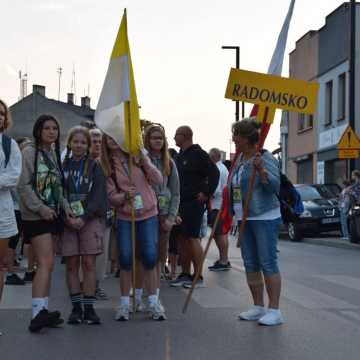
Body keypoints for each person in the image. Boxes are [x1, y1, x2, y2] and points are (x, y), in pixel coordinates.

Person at [101, 134, 165, 321]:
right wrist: (123, 197)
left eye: (116, 134)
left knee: (150, 257)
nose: (112, 139)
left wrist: (144, 159)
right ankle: (124, 303)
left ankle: (153, 302)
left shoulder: (137, 156)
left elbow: (158, 179)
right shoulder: (108, 166)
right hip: (125, 216)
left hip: (148, 213)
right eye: (109, 136)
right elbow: (110, 196)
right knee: (126, 258)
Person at [17, 114, 71, 332]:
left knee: (47, 265)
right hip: (36, 216)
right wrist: (41, 208)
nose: (51, 132)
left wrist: (65, 207)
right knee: (45, 263)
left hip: (52, 215)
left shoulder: (52, 154)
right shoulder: (29, 152)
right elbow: (23, 186)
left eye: (55, 129)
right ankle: (37, 314)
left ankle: (43, 310)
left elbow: (57, 187)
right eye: (47, 128)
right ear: (38, 130)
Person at [229, 118, 283, 326]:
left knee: (267, 261)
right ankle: (258, 306)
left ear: (246, 138)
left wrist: (262, 171)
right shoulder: (240, 158)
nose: (234, 139)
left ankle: (275, 310)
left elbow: (275, 187)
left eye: (237, 136)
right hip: (244, 217)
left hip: (264, 216)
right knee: (250, 262)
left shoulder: (265, 157)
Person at [61, 126, 107, 325]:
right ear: (69, 143)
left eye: (83, 142)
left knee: (88, 264)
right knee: (71, 265)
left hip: (89, 220)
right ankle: (76, 307)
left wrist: (84, 217)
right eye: (75, 141)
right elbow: (58, 193)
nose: (79, 145)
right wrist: (68, 217)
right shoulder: (62, 165)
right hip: (68, 220)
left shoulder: (95, 167)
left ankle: (89, 308)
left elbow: (98, 196)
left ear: (88, 145)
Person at [171, 126, 219, 288]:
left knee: (192, 237)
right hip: (179, 203)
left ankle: (198, 276)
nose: (173, 138)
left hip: (193, 203)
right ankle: (185, 274)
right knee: (182, 239)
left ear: (185, 136)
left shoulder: (198, 154)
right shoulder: (178, 157)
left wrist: (206, 192)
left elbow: (214, 173)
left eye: (176, 135)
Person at [144, 124, 180, 311]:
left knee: (159, 257)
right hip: (145, 213)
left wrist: (171, 217)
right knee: (145, 255)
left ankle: (155, 296)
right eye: (154, 137)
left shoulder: (170, 163)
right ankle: (142, 292)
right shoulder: (142, 160)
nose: (157, 141)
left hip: (164, 214)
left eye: (160, 138)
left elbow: (175, 193)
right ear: (148, 140)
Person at [0, 99, 22, 335]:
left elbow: (12, 177)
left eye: (1, 113)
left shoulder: (10, 145)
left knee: (0, 267)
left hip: (2, 215)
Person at [207, 148, 231, 271]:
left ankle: (224, 260)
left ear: (214, 157)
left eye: (209, 157)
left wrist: (204, 193)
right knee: (219, 234)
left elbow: (214, 190)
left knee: (220, 234)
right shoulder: (223, 168)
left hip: (217, 206)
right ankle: (223, 259)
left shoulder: (217, 169)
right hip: (220, 205)